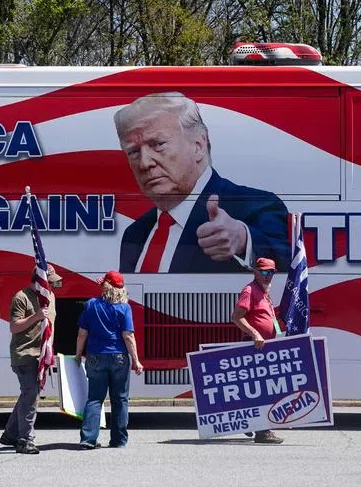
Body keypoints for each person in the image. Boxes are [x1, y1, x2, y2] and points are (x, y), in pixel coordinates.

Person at [114, 92, 291, 273]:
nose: (144, 163)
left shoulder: (256, 206)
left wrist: (243, 240)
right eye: (134, 152)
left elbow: (287, 262)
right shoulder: (135, 233)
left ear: (198, 146)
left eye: (158, 144)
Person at [0, 265, 63, 454]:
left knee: (29, 394)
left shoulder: (50, 297)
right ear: (38, 280)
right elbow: (14, 327)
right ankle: (25, 440)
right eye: (47, 281)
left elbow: (50, 326)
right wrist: (35, 316)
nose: (50, 285)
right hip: (25, 353)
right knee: (30, 394)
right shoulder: (22, 297)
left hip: (41, 354)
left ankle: (10, 434)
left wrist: (50, 350)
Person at [75, 271, 143, 449]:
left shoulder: (91, 304)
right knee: (120, 399)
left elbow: (82, 333)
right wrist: (136, 361)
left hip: (95, 355)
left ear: (105, 286)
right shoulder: (124, 308)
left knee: (95, 398)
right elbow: (128, 336)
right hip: (119, 356)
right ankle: (118, 440)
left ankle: (88, 439)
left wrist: (77, 354)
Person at [231, 257, 283, 444]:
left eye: (272, 272)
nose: (269, 276)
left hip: (266, 347)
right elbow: (237, 317)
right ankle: (263, 431)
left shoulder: (264, 293)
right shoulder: (249, 291)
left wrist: (277, 332)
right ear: (256, 271)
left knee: (259, 388)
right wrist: (255, 333)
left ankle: (249, 423)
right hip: (254, 347)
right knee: (261, 389)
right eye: (265, 272)